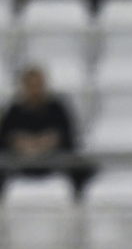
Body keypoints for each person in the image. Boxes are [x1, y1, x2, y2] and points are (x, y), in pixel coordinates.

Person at [0, 67, 93, 196]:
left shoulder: (57, 108)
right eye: (30, 85)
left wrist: (49, 142)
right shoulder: (14, 111)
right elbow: (6, 137)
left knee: (83, 168)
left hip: (54, 161)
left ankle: (78, 202)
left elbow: (68, 136)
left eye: (38, 85)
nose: (35, 90)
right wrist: (21, 143)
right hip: (21, 163)